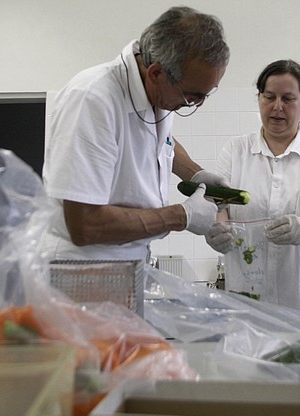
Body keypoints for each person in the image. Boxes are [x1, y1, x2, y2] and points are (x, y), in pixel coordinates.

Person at [40, 6, 230, 262]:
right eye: (192, 96)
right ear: (156, 73)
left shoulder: (160, 93)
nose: (195, 103)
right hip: (81, 267)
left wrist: (194, 174)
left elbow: (161, 141)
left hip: (128, 260)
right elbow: (84, 225)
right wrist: (181, 216)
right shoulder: (93, 100)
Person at [205, 59, 300, 312]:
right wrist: (217, 227)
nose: (277, 107)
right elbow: (220, 205)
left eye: (288, 99)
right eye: (269, 97)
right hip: (253, 301)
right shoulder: (235, 151)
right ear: (259, 98)